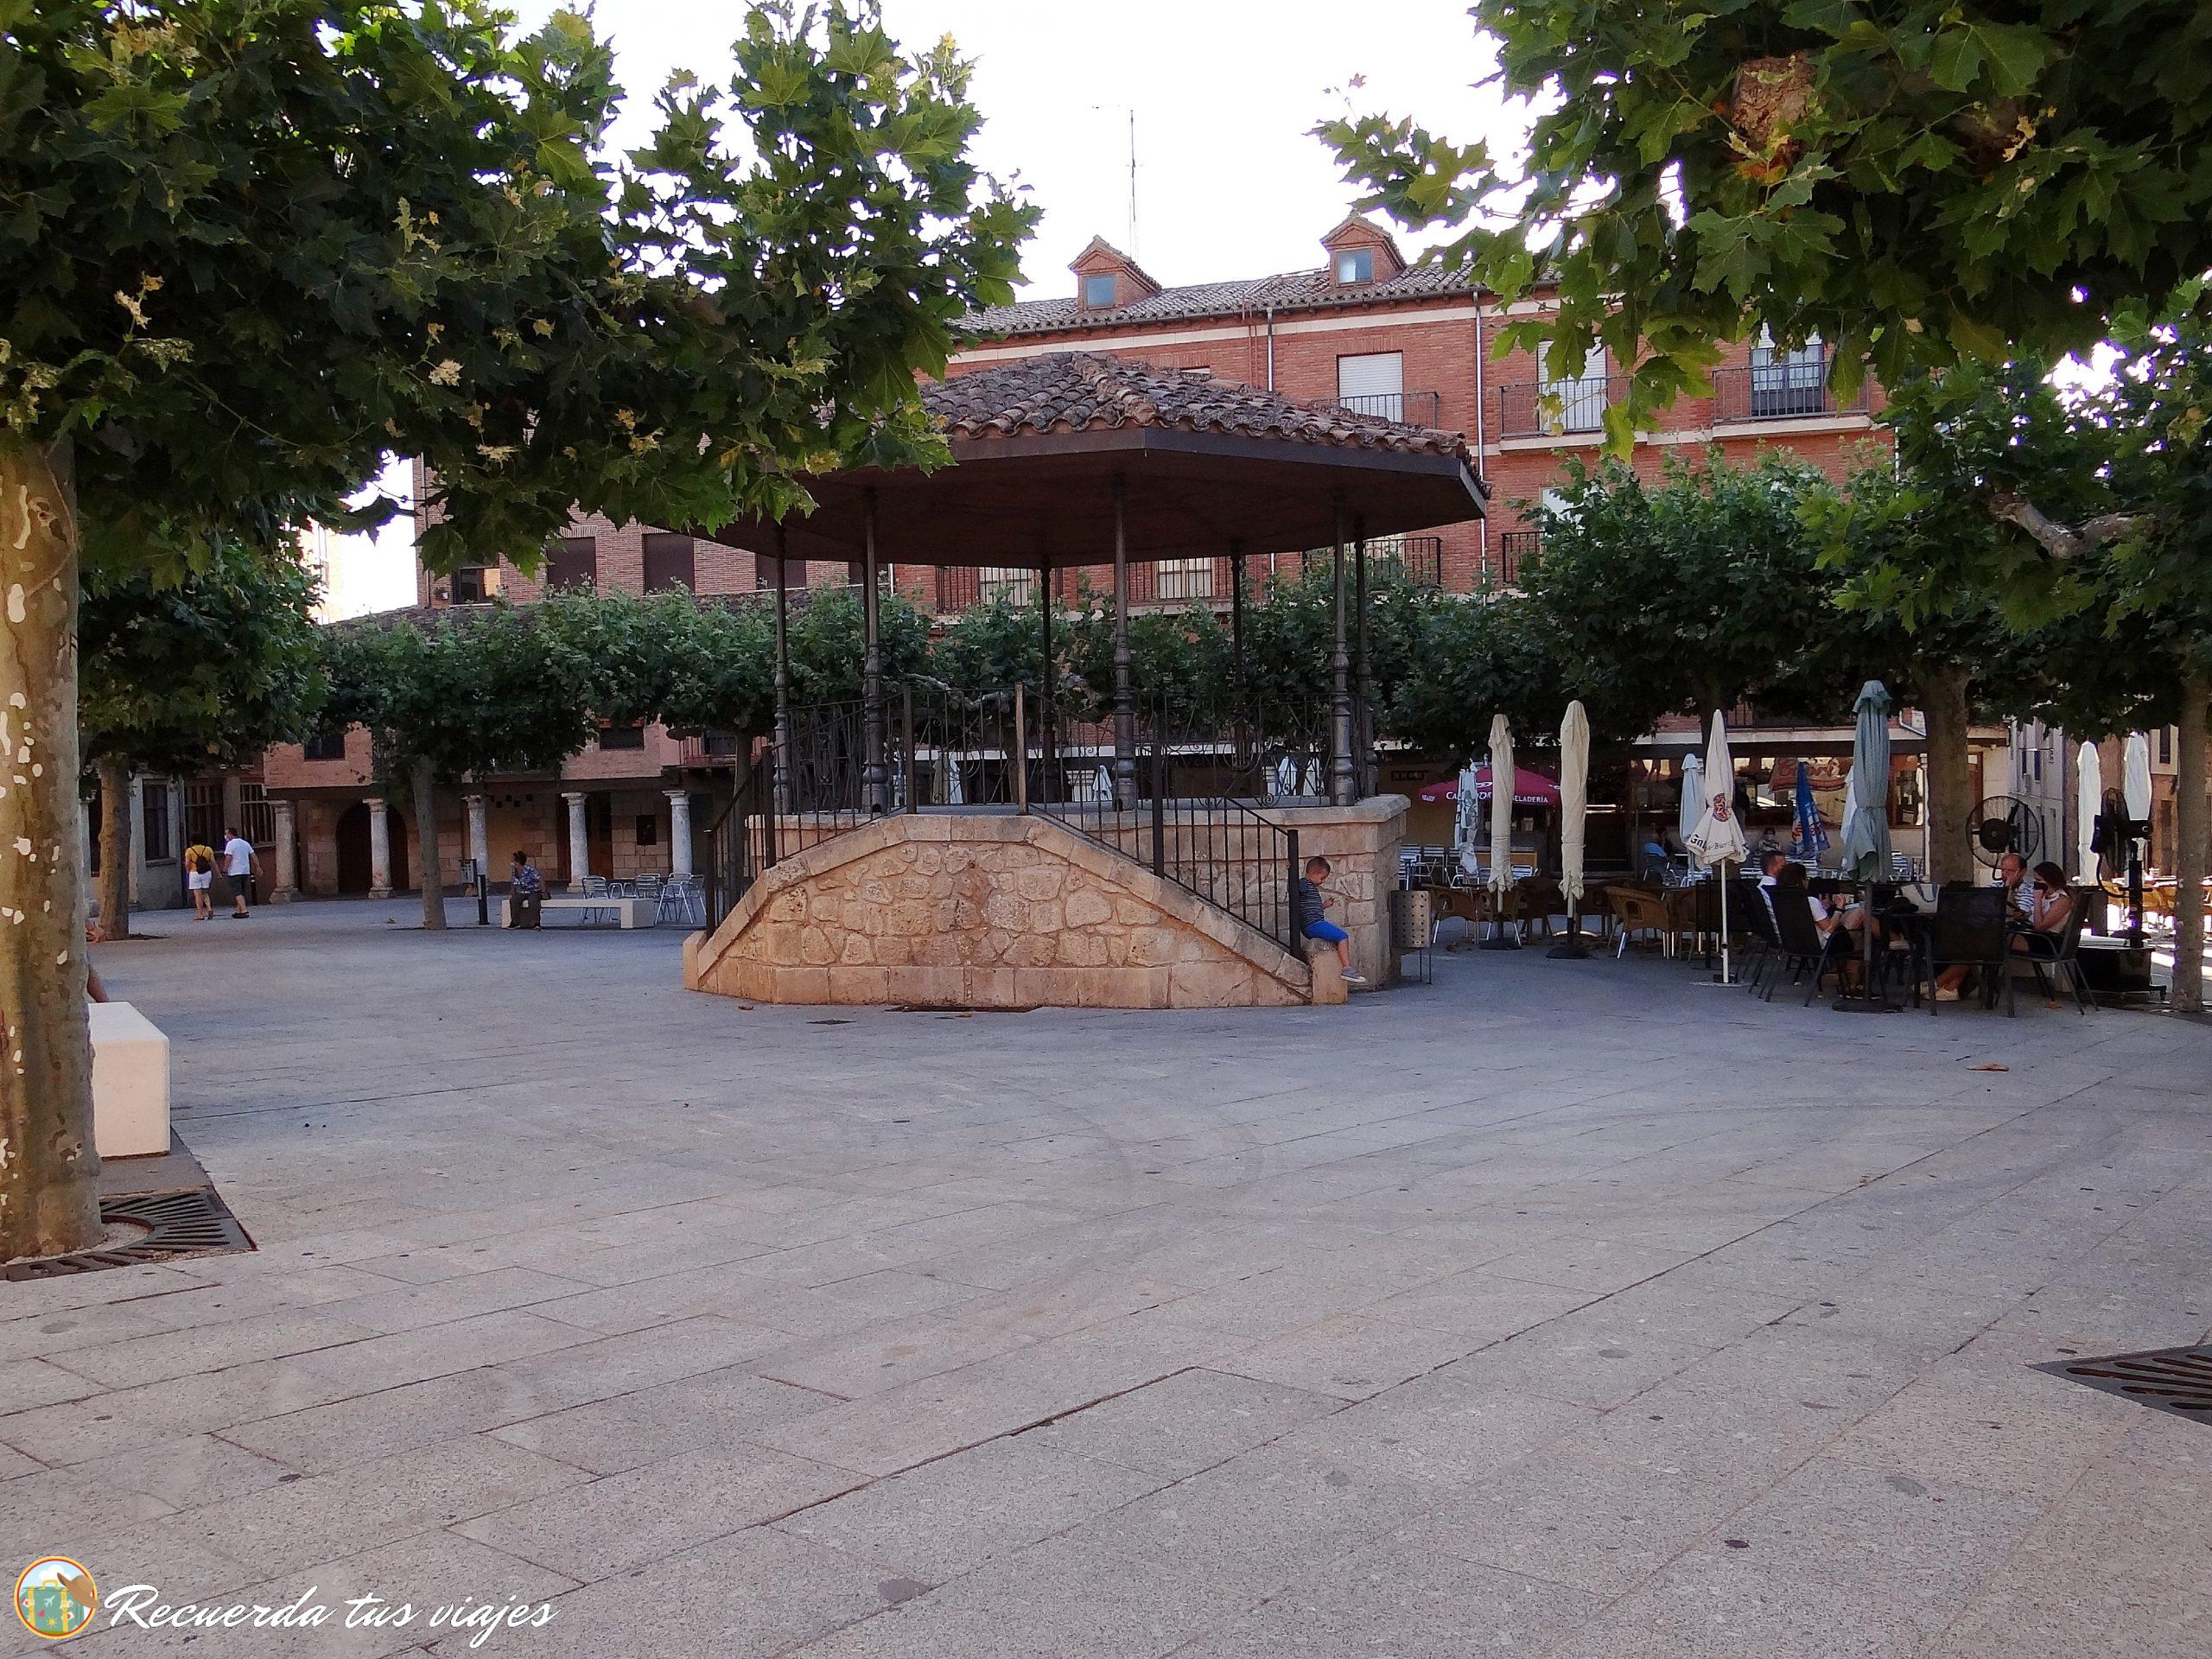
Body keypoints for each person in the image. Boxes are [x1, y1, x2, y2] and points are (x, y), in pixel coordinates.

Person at [1934, 856, 2070, 1000]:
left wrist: (2036, 899)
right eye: (2036, 881)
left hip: (2044, 941)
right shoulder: (2046, 896)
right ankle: (1951, 987)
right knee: (1977, 942)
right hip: (2028, 932)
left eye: (2040, 882)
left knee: (1984, 943)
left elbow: (2040, 926)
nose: (2036, 885)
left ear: (2051, 881)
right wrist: (2023, 914)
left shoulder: (2062, 900)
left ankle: (1938, 983)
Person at [1296, 855, 1364, 985]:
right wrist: (1290, 868)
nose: (1323, 881)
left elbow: (1310, 908)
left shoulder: (1311, 887)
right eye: (1322, 878)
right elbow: (1294, 887)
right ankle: (1347, 968)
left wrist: (1324, 906)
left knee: (1338, 936)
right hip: (1313, 924)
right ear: (1314, 873)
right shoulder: (1304, 883)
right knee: (1342, 937)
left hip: (1313, 923)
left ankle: (1347, 968)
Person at [220, 825, 260, 918]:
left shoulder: (231, 844)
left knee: (237, 892)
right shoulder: (245, 843)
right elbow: (253, 855)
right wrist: (258, 867)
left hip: (235, 871)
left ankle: (244, 910)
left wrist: (225, 869)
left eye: (226, 834)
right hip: (245, 871)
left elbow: (228, 857)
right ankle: (239, 911)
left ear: (230, 834)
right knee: (242, 891)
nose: (225, 836)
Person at [507, 850, 543, 929]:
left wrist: (544, 891)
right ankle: (515, 922)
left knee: (533, 901)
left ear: (518, 861)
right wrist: (512, 890)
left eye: (513, 860)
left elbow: (540, 879)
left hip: (533, 891)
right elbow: (513, 882)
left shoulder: (530, 869)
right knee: (514, 900)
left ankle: (536, 923)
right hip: (521, 892)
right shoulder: (514, 871)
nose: (511, 862)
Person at [183, 841, 215, 920]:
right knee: (205, 892)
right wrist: (219, 873)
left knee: (197, 895)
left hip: (195, 873)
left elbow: (187, 864)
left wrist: (188, 871)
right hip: (206, 873)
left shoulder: (190, 850)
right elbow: (213, 862)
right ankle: (209, 908)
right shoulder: (208, 849)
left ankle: (200, 914)